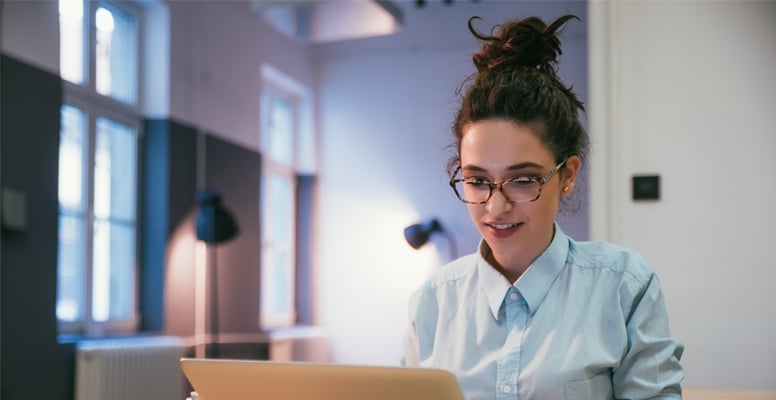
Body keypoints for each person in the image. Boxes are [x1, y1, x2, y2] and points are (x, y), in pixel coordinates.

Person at [402, 14, 684, 399]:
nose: (495, 207)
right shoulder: (433, 301)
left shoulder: (623, 286)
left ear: (566, 174)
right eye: (477, 180)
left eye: (522, 180)